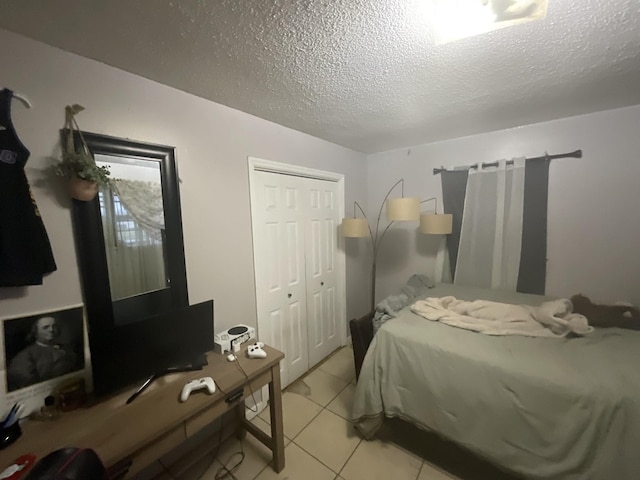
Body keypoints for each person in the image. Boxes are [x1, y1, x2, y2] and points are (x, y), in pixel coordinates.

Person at [7, 316, 80, 391]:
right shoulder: (25, 355)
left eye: (54, 326)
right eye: (45, 327)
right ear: (35, 332)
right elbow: (27, 381)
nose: (51, 330)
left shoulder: (66, 349)